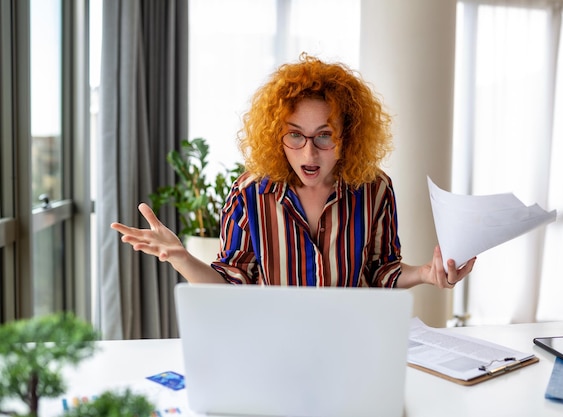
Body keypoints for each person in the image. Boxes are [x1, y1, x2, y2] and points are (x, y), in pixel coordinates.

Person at [111, 54, 475, 289]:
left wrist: (425, 274)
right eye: (295, 136)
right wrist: (180, 256)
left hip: (350, 342)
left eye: (325, 136)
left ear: (347, 136)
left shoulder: (375, 188)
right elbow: (230, 283)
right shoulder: (249, 193)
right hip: (272, 344)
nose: (310, 152)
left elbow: (382, 270)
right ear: (277, 137)